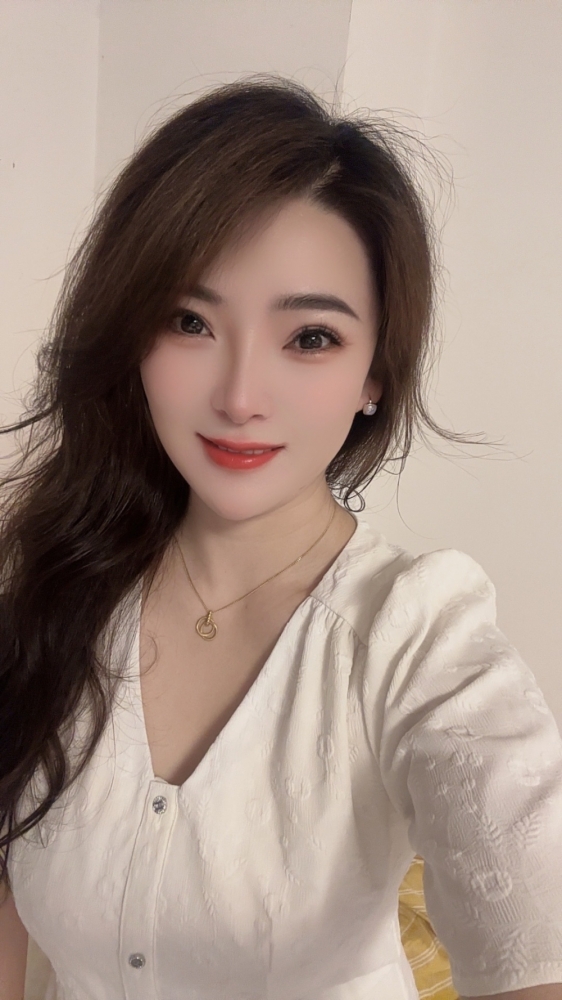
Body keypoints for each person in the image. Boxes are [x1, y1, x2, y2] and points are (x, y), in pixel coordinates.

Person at [1, 75, 561, 1000]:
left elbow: (529, 922)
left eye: (309, 338)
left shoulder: (416, 634)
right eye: (190, 322)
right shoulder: (58, 584)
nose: (239, 396)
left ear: (376, 372)